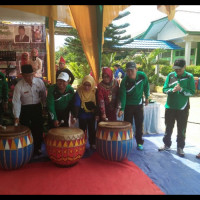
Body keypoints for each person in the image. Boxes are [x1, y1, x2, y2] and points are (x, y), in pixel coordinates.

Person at [158, 58, 195, 157]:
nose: (177, 71)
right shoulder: (171, 75)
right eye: (176, 69)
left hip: (183, 108)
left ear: (184, 67)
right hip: (170, 106)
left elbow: (192, 92)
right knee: (168, 127)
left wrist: (181, 89)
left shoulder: (189, 77)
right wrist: (171, 90)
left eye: (179, 69)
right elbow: (164, 89)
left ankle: (180, 147)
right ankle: (166, 144)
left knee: (181, 128)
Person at [12, 64, 47, 156]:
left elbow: (43, 96)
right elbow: (16, 102)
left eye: (30, 75)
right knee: (26, 129)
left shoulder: (40, 82)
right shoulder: (19, 86)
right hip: (25, 109)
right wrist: (16, 116)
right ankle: (26, 149)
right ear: (22, 75)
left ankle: (37, 148)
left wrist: (45, 107)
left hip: (37, 107)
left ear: (33, 74)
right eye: (26, 76)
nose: (28, 77)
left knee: (38, 128)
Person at [118, 62, 150, 151]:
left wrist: (147, 97)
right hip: (128, 106)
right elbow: (123, 95)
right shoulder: (124, 81)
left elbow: (146, 86)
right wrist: (122, 108)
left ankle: (139, 142)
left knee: (139, 124)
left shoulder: (142, 76)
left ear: (136, 70)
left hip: (139, 105)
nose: (130, 73)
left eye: (132, 70)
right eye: (127, 71)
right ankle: (126, 142)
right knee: (127, 125)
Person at [73, 75, 99, 150]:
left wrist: (97, 114)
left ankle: (92, 143)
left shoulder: (94, 91)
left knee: (92, 130)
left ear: (92, 84)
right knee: (82, 130)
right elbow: (77, 104)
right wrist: (75, 116)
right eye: (85, 84)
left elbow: (97, 103)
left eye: (89, 85)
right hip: (82, 114)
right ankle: (81, 144)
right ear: (83, 84)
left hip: (91, 114)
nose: (87, 87)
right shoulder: (79, 91)